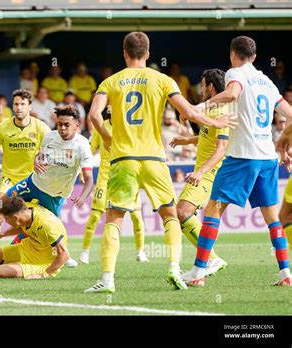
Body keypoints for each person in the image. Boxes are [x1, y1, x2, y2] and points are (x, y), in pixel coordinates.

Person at [84, 31, 235, 293]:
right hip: (154, 158)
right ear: (149, 53)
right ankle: (175, 269)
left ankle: (107, 279)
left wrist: (108, 138)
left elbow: (94, 115)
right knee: (170, 215)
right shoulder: (162, 79)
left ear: (124, 53)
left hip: (123, 159)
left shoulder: (110, 81)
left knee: (114, 218)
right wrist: (215, 122)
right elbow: (188, 111)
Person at [181, 36, 292, 287]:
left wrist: (199, 107)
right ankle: (286, 273)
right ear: (254, 55)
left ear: (233, 54)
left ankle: (198, 271)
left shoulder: (235, 73)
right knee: (273, 218)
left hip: (243, 156)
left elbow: (231, 94)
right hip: (267, 159)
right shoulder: (267, 81)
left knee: (212, 210)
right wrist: (285, 142)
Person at [0, 105, 94, 268]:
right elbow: (39, 156)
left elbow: (88, 179)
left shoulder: (83, 145)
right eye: (60, 124)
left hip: (55, 194)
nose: (62, 128)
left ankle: (63, 255)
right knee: (4, 199)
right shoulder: (50, 137)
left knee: (47, 228)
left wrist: (83, 196)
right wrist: (36, 163)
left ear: (77, 125)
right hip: (34, 183)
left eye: (67, 125)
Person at [170, 71, 230, 270]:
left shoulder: (222, 111)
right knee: (185, 213)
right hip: (207, 172)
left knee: (182, 211)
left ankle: (211, 258)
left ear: (211, 87)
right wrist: (187, 140)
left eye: (203, 85)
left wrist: (201, 172)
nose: (200, 89)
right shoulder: (213, 110)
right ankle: (207, 261)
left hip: (210, 173)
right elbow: (209, 136)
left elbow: (222, 148)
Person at [0, 89, 50, 254]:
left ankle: (56, 251)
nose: (19, 107)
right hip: (10, 178)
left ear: (30, 107)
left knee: (37, 218)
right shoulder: (2, 128)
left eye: (23, 104)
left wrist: (43, 160)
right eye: (16, 104)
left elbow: (50, 151)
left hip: (34, 179)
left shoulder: (41, 128)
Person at [79, 112, 148, 265]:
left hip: (127, 177)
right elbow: (90, 150)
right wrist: (83, 170)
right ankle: (85, 251)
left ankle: (140, 251)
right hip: (105, 178)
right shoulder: (100, 127)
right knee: (95, 217)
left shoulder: (129, 126)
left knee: (137, 217)